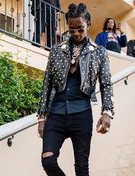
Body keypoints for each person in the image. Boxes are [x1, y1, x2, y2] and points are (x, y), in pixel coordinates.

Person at [37, 3, 114, 176]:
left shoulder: (99, 52)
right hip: (56, 113)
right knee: (48, 160)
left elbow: (106, 84)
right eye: (72, 30)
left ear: (88, 23)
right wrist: (42, 118)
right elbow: (47, 84)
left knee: (81, 166)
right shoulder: (56, 50)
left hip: (82, 113)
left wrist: (107, 112)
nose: (77, 34)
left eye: (80, 28)